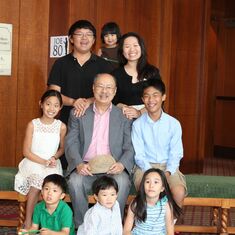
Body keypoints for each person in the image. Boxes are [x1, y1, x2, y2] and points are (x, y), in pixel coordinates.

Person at [65, 73, 134, 228]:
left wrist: (122, 164)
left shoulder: (123, 116)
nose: (104, 91)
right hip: (86, 167)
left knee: (122, 181)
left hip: (112, 168)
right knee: (75, 181)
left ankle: (113, 226)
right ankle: (83, 227)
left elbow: (129, 147)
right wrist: (78, 164)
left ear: (115, 91)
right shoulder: (79, 113)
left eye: (109, 87)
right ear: (93, 88)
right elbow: (71, 142)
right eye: (100, 86)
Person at [48, 19, 113, 169]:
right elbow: (53, 93)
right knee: (65, 165)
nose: (84, 38)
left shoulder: (104, 65)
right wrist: (73, 102)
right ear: (71, 38)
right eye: (79, 34)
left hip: (96, 122)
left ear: (94, 39)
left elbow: (110, 92)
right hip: (65, 121)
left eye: (89, 34)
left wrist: (89, 101)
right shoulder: (61, 64)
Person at [14, 90, 66, 229]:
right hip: (33, 161)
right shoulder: (33, 124)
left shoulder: (61, 126)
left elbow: (62, 148)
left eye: (56, 105)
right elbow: (26, 151)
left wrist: (54, 157)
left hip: (52, 163)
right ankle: (29, 222)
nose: (51, 108)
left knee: (51, 188)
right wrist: (43, 161)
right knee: (37, 182)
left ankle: (47, 222)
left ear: (60, 107)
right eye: (48, 104)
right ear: (41, 104)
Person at [131, 78, 187, 208]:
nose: (151, 100)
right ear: (142, 99)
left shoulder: (173, 123)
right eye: (147, 96)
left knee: (179, 192)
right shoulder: (137, 124)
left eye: (155, 95)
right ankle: (149, 223)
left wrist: (166, 173)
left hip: (168, 166)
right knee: (148, 190)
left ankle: (170, 223)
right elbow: (139, 155)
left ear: (163, 97)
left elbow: (176, 153)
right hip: (144, 167)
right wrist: (152, 174)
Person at [112, 32, 161, 120]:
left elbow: (159, 97)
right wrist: (124, 108)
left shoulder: (152, 72)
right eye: (127, 47)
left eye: (135, 45)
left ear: (141, 48)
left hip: (150, 117)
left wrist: (140, 112)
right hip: (125, 118)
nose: (132, 50)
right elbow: (113, 100)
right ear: (122, 51)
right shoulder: (115, 74)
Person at [124, 168, 182, 235]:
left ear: (162, 188)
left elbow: (170, 232)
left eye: (156, 182)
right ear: (143, 186)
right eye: (148, 182)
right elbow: (126, 230)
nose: (151, 186)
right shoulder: (135, 203)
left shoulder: (166, 205)